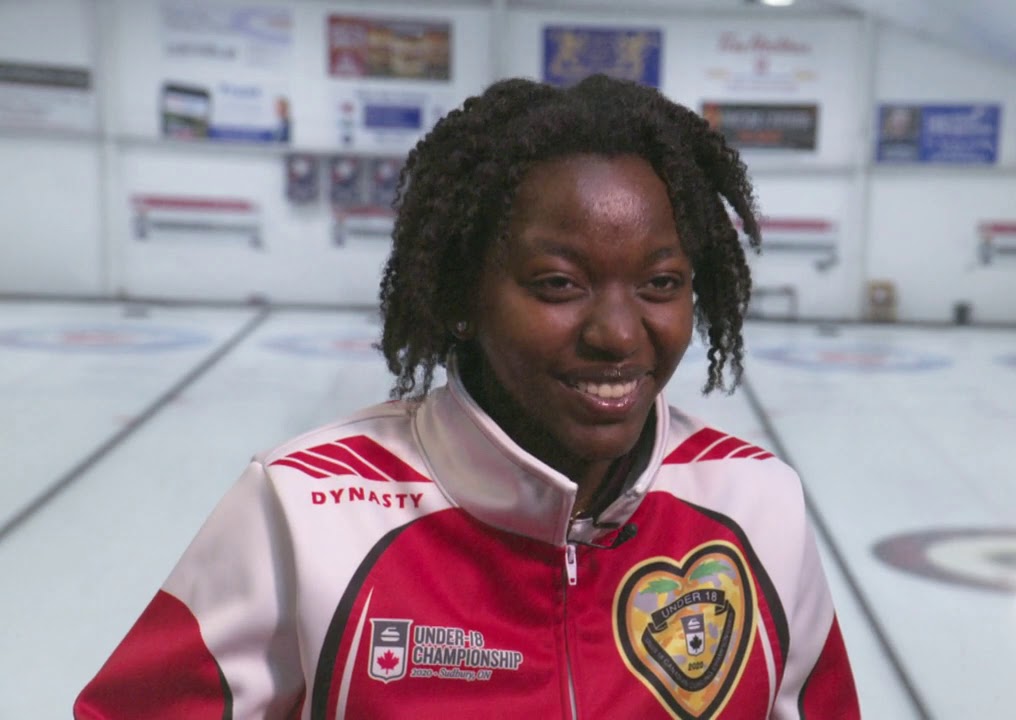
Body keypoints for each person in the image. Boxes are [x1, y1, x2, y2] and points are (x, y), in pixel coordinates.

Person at [75, 74, 860, 719]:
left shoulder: (760, 505)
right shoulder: (306, 511)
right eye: (560, 284)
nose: (620, 333)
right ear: (460, 294)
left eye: (661, 284)